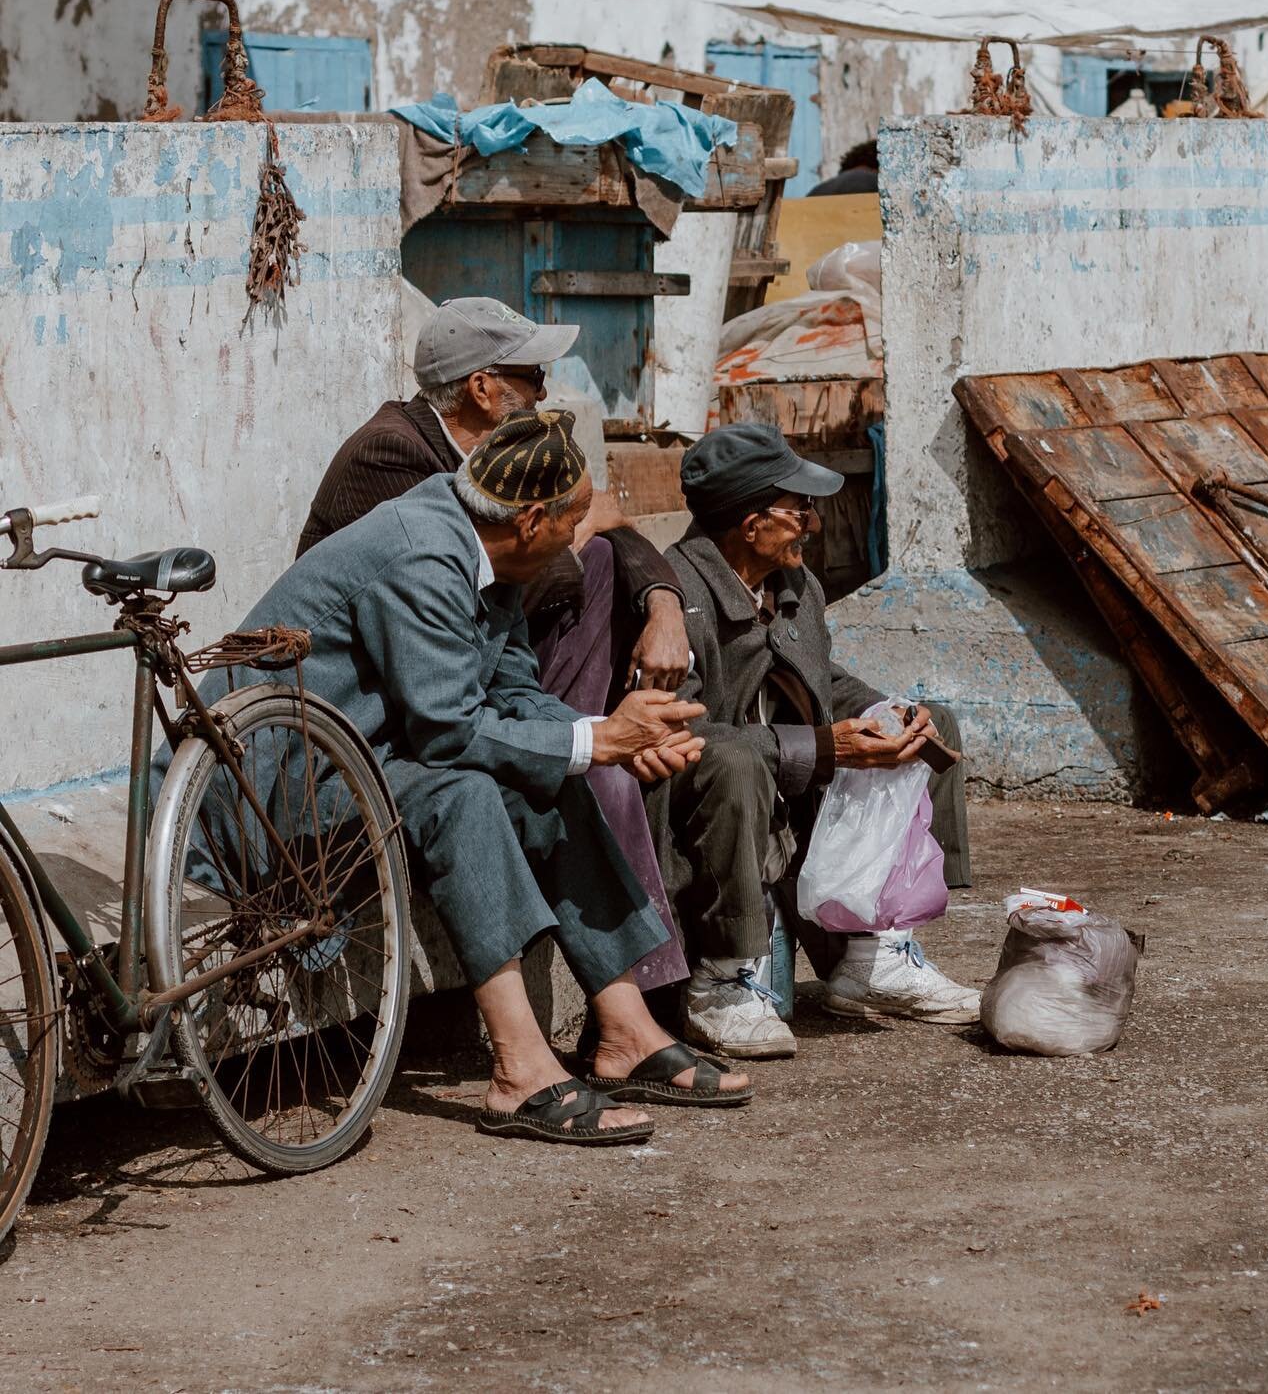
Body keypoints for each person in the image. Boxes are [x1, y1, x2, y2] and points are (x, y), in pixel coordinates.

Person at [213, 409, 751, 1142]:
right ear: (531, 520)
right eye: (571, 524)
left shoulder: (483, 541)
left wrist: (612, 738)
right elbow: (449, 729)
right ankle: (519, 1069)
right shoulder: (425, 557)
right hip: (272, 795)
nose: (577, 537)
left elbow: (514, 690)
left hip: (367, 758)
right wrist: (593, 737)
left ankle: (625, 1027)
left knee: (556, 777)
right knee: (462, 792)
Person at [297, 296, 688, 993]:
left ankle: (628, 1015)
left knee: (572, 763)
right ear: (482, 387)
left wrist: (660, 603)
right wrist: (593, 741)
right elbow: (462, 605)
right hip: (371, 725)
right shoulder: (396, 460)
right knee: (497, 784)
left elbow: (583, 544)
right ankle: (542, 1049)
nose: (545, 396)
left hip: (452, 688)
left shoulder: (498, 483)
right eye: (534, 378)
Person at [650, 422, 979, 1059]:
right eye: (799, 507)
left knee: (927, 724)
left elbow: (822, 678)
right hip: (700, 796)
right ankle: (720, 978)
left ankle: (873, 954)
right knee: (736, 759)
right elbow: (678, 732)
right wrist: (826, 748)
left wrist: (890, 714)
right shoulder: (678, 596)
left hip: (785, 778)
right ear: (750, 524)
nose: (812, 520)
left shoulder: (796, 586)